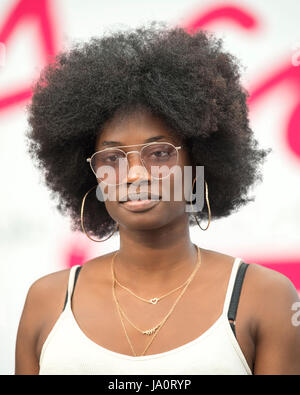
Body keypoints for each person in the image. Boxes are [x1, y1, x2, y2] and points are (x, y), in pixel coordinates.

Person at [15, 22, 300, 375]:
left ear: (199, 161)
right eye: (113, 158)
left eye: (160, 153)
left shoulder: (266, 297)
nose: (135, 174)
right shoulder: (47, 301)